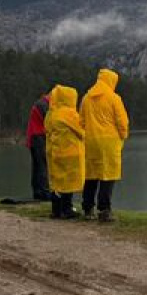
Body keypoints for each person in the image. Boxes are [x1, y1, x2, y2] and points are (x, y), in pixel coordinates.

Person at [80, 68, 130, 222]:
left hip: (90, 142)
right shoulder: (114, 98)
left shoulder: (86, 99)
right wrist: (123, 136)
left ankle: (88, 209)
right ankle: (104, 210)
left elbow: (81, 122)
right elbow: (122, 122)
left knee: (91, 176)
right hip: (109, 142)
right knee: (108, 177)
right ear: (111, 81)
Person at [44, 84, 85, 219]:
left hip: (54, 152)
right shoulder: (69, 114)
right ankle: (67, 209)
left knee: (57, 183)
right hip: (69, 152)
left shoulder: (51, 114)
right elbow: (82, 131)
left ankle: (56, 210)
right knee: (68, 183)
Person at [26, 94, 51, 200]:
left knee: (37, 166)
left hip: (34, 136)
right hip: (38, 136)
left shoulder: (40, 103)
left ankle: (38, 192)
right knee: (42, 165)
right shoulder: (44, 105)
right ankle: (44, 192)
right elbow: (50, 121)